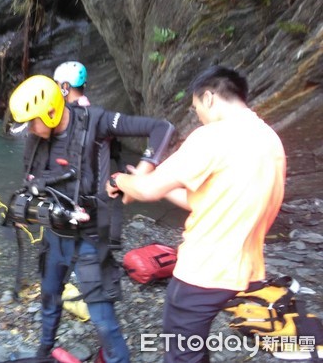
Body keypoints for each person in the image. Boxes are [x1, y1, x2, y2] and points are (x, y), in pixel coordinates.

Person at [106, 66, 286, 362]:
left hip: (203, 273)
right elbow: (209, 201)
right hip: (249, 272)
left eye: (196, 107)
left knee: (182, 354)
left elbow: (146, 189)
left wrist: (119, 181)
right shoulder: (269, 140)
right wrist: (151, 187)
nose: (198, 115)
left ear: (210, 98)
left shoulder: (212, 136)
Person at [8, 75, 174, 363]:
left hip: (90, 237)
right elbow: (33, 181)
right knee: (49, 298)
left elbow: (161, 127)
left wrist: (143, 171)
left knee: (102, 319)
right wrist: (24, 211)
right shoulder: (35, 138)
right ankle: (43, 353)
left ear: (51, 111)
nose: (29, 131)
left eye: (32, 122)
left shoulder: (95, 120)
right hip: (55, 235)